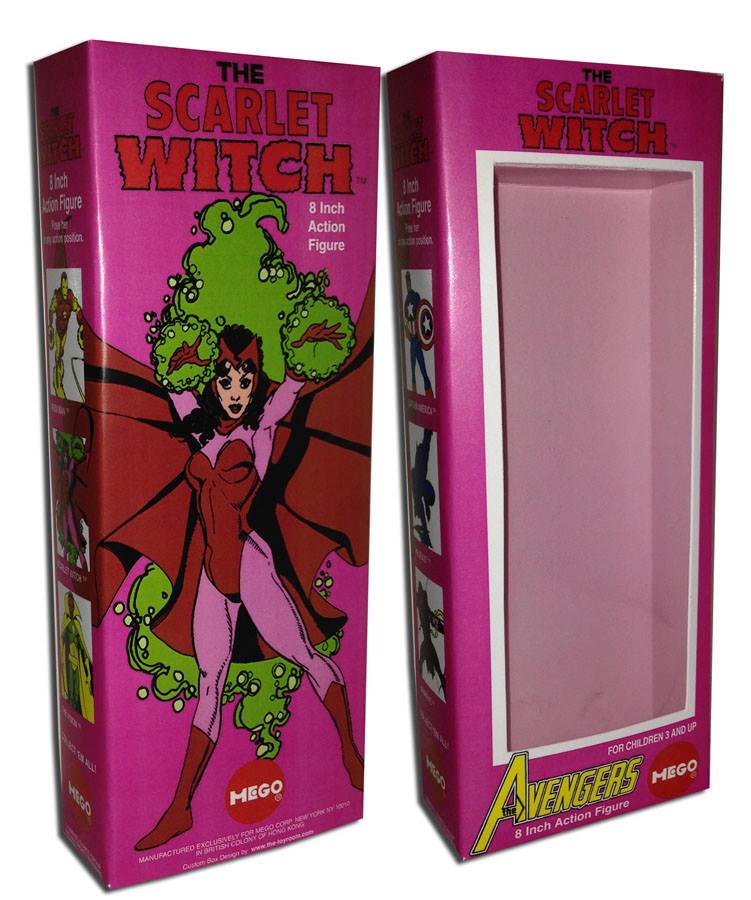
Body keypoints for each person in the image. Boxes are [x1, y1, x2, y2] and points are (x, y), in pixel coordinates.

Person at [134, 321, 363, 851]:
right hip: (214, 575)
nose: (236, 390)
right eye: (225, 379)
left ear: (256, 381)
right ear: (212, 382)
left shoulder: (259, 431)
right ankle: (181, 808)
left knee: (304, 655)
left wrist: (304, 357)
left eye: (246, 378)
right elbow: (172, 381)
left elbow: (291, 390)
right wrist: (175, 356)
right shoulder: (201, 431)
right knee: (209, 684)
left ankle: (350, 754)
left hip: (251, 564)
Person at [48, 272, 83, 399]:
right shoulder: (57, 297)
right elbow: (51, 310)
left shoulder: (70, 298)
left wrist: (81, 325)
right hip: (58, 329)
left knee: (61, 352)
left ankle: (60, 376)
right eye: (63, 285)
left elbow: (78, 309)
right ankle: (57, 381)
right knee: (58, 354)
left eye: (66, 286)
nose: (64, 288)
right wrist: (50, 326)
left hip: (66, 329)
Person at [403, 271, 433, 397]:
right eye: (407, 281)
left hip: (417, 340)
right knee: (412, 370)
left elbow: (421, 312)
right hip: (413, 341)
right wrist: (407, 332)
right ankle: (415, 394)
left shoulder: (415, 297)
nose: (408, 284)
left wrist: (421, 337)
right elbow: (407, 322)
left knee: (422, 369)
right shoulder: (407, 300)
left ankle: (428, 393)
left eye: (408, 281)